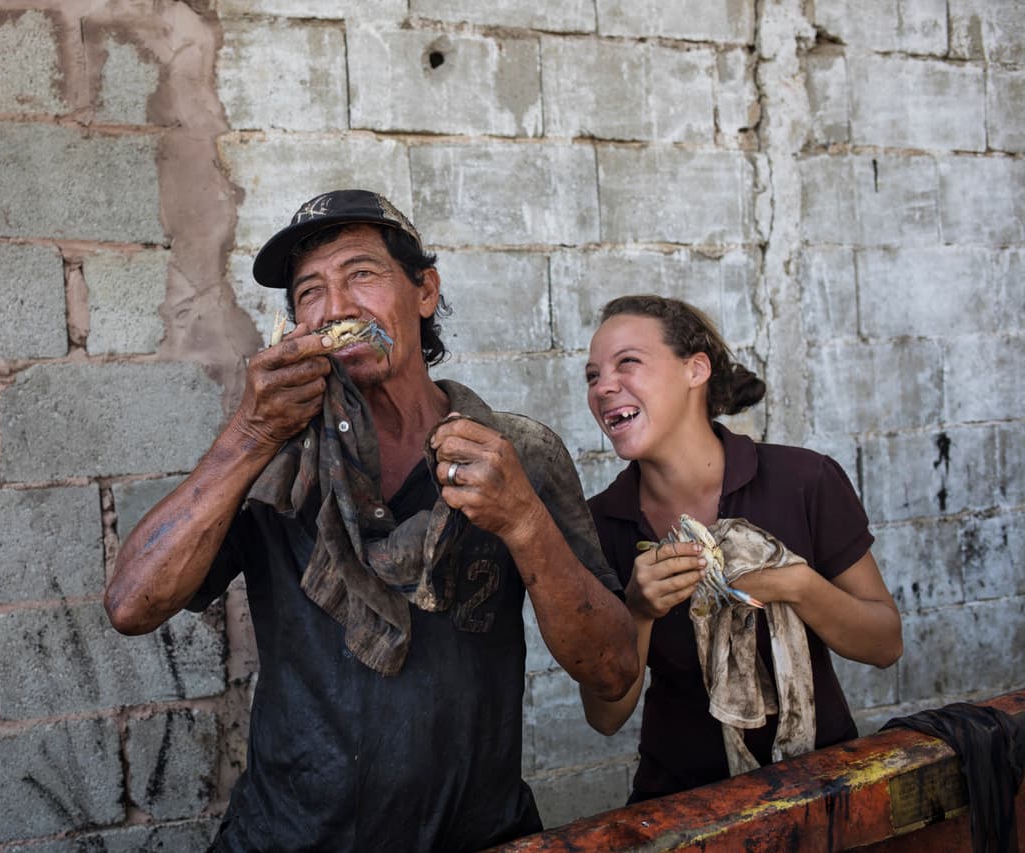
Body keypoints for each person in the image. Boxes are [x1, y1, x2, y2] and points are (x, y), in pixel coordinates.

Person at [105, 189, 638, 851]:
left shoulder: (514, 454)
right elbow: (132, 603)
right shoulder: (275, 459)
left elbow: (614, 671)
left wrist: (525, 522)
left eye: (361, 274)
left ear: (425, 291)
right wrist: (247, 434)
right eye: (310, 292)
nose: (339, 307)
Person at [580, 294, 903, 803]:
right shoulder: (599, 524)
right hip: (682, 803)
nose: (604, 387)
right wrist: (638, 612)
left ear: (696, 370)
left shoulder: (804, 480)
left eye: (628, 363)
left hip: (823, 788)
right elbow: (604, 716)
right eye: (592, 376)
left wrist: (796, 584)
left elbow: (885, 645)